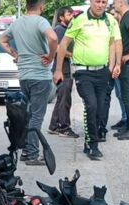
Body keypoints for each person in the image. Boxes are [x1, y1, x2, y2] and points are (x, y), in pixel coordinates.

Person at [53, 0, 121, 160]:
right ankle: (93, 145)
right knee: (91, 105)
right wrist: (58, 70)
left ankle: (89, 141)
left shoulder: (110, 20)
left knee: (99, 109)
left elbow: (115, 42)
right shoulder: (79, 20)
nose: (100, 5)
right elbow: (63, 45)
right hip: (83, 71)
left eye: (104, 2)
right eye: (97, 1)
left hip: (102, 71)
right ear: (91, 2)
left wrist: (115, 64)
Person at [0, 0, 58, 166]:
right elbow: (53, 38)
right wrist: (51, 56)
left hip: (24, 75)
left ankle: (26, 150)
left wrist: (15, 54)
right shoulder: (41, 21)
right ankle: (32, 153)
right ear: (42, 6)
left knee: (28, 114)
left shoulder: (17, 23)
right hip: (40, 76)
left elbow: (3, 40)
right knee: (37, 116)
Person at [111, 0, 129, 140]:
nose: (113, 4)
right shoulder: (124, 17)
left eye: (115, 2)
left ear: (122, 2)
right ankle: (128, 126)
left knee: (127, 97)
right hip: (124, 63)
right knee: (124, 96)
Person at [47, 7, 79, 139]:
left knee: (62, 98)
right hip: (62, 70)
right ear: (61, 17)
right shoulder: (60, 30)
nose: (72, 16)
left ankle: (53, 126)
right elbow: (59, 50)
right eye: (69, 13)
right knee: (65, 100)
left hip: (66, 70)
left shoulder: (67, 30)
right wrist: (75, 55)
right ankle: (64, 128)